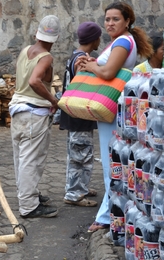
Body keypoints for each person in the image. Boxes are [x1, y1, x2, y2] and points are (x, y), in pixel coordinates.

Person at [76, 2, 153, 232]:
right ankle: (113, 213)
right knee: (114, 161)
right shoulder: (121, 40)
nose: (110, 23)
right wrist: (92, 63)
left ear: (127, 21)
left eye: (115, 19)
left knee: (112, 164)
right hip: (111, 107)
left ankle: (107, 217)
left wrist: (91, 67)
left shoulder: (122, 41)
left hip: (111, 107)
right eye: (107, 19)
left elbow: (109, 72)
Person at [9, 15, 61, 218]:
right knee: (31, 160)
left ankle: (27, 195)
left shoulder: (25, 51)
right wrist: (53, 100)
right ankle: (29, 206)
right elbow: (34, 81)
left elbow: (23, 79)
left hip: (18, 110)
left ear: (37, 34)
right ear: (55, 39)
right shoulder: (46, 57)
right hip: (33, 113)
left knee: (21, 158)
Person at [60, 22, 102, 207]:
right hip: (79, 115)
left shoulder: (74, 56)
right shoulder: (83, 60)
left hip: (72, 114)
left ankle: (79, 186)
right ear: (94, 39)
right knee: (81, 154)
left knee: (78, 152)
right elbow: (83, 85)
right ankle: (75, 194)